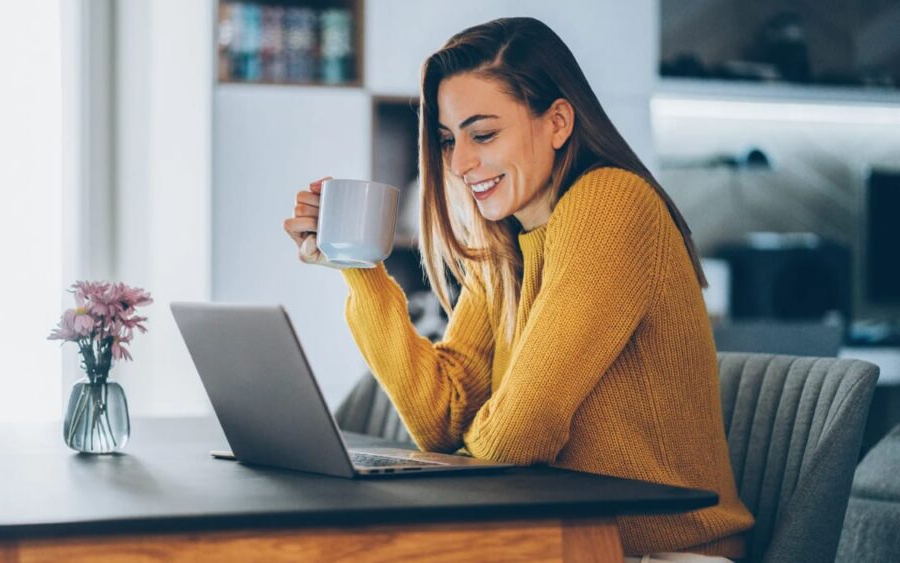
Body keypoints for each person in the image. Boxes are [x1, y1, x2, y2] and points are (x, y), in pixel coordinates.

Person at [283, 17, 754, 562]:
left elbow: (519, 436)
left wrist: (464, 454)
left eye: (483, 134)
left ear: (557, 122)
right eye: (447, 139)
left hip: (665, 553)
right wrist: (358, 265)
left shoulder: (612, 204)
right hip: (559, 541)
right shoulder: (510, 242)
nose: (459, 164)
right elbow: (442, 419)